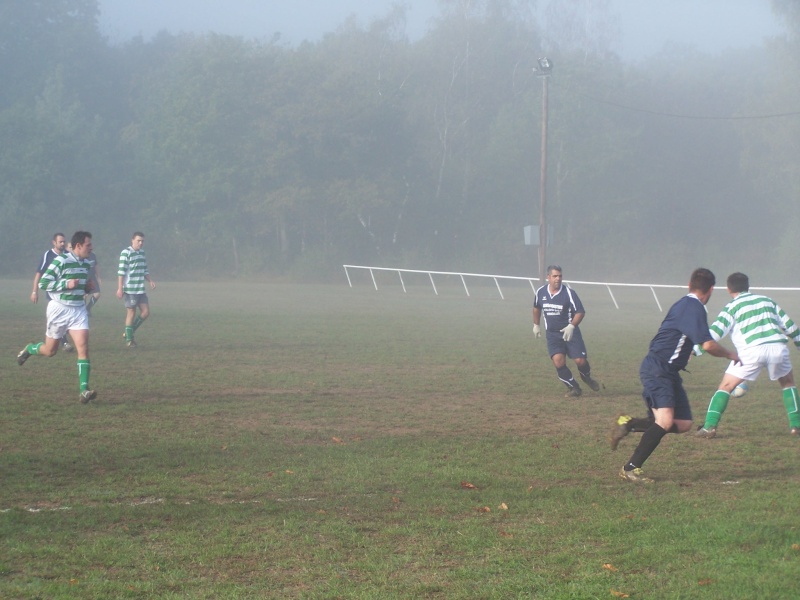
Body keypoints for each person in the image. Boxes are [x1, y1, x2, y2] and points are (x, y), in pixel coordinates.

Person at [610, 268, 740, 483]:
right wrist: (729, 354)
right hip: (658, 369)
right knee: (665, 420)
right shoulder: (693, 307)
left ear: (690, 285)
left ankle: (628, 424)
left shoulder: (684, 304)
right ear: (710, 290)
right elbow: (707, 345)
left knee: (682, 423)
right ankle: (630, 468)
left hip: (667, 371)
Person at [695, 272, 800, 438]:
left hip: (751, 351)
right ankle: (796, 426)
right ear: (747, 286)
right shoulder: (767, 301)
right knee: (788, 383)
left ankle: (709, 427)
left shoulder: (732, 306)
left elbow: (715, 332)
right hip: (777, 348)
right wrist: (798, 342)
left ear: (729, 289)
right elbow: (790, 326)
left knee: (726, 387)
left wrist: (696, 349)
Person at [17, 231, 97, 404]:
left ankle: (84, 390)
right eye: (88, 244)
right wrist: (65, 284)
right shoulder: (61, 261)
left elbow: (80, 287)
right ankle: (30, 348)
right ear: (78, 246)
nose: (91, 247)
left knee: (83, 347)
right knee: (50, 351)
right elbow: (43, 283)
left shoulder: (86, 264)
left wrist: (87, 288)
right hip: (59, 310)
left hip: (78, 310)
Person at [532, 265, 601, 397]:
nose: (558, 279)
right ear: (548, 277)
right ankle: (574, 388)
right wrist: (536, 325)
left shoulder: (569, 293)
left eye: (560, 276)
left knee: (580, 361)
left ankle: (586, 377)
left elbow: (580, 312)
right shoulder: (540, 292)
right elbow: (536, 308)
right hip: (552, 334)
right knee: (558, 361)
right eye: (555, 276)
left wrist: (571, 326)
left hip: (570, 332)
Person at [30, 232, 74, 352]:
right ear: (54, 242)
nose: (62, 243)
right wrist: (35, 291)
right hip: (53, 292)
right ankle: (64, 342)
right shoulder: (48, 255)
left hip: (67, 292)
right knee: (59, 317)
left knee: (67, 316)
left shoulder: (68, 255)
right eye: (60, 241)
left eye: (64, 241)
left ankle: (62, 341)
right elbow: (39, 273)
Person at [117, 231, 156, 348]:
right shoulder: (126, 252)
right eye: (138, 240)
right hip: (130, 289)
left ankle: (128, 332)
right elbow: (121, 272)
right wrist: (120, 288)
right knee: (131, 312)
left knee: (146, 312)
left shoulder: (142, 253)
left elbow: (144, 270)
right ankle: (129, 340)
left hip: (140, 289)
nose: (140, 243)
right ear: (132, 240)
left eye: (142, 241)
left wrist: (150, 280)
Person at [85, 249, 102, 315]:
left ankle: (88, 308)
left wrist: (98, 277)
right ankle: (83, 311)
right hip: (84, 278)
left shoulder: (93, 255)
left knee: (97, 293)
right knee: (84, 295)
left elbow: (96, 266)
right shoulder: (82, 255)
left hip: (92, 278)